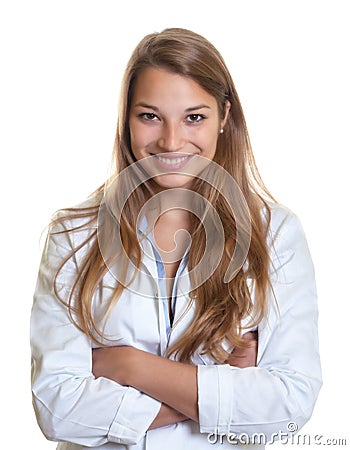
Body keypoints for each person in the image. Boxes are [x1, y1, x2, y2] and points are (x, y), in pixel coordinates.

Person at [30, 28, 322, 450]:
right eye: (149, 116)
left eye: (194, 117)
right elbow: (57, 408)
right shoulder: (73, 235)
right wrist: (221, 390)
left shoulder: (275, 234)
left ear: (224, 116)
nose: (170, 140)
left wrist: (129, 366)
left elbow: (289, 405)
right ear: (125, 119)